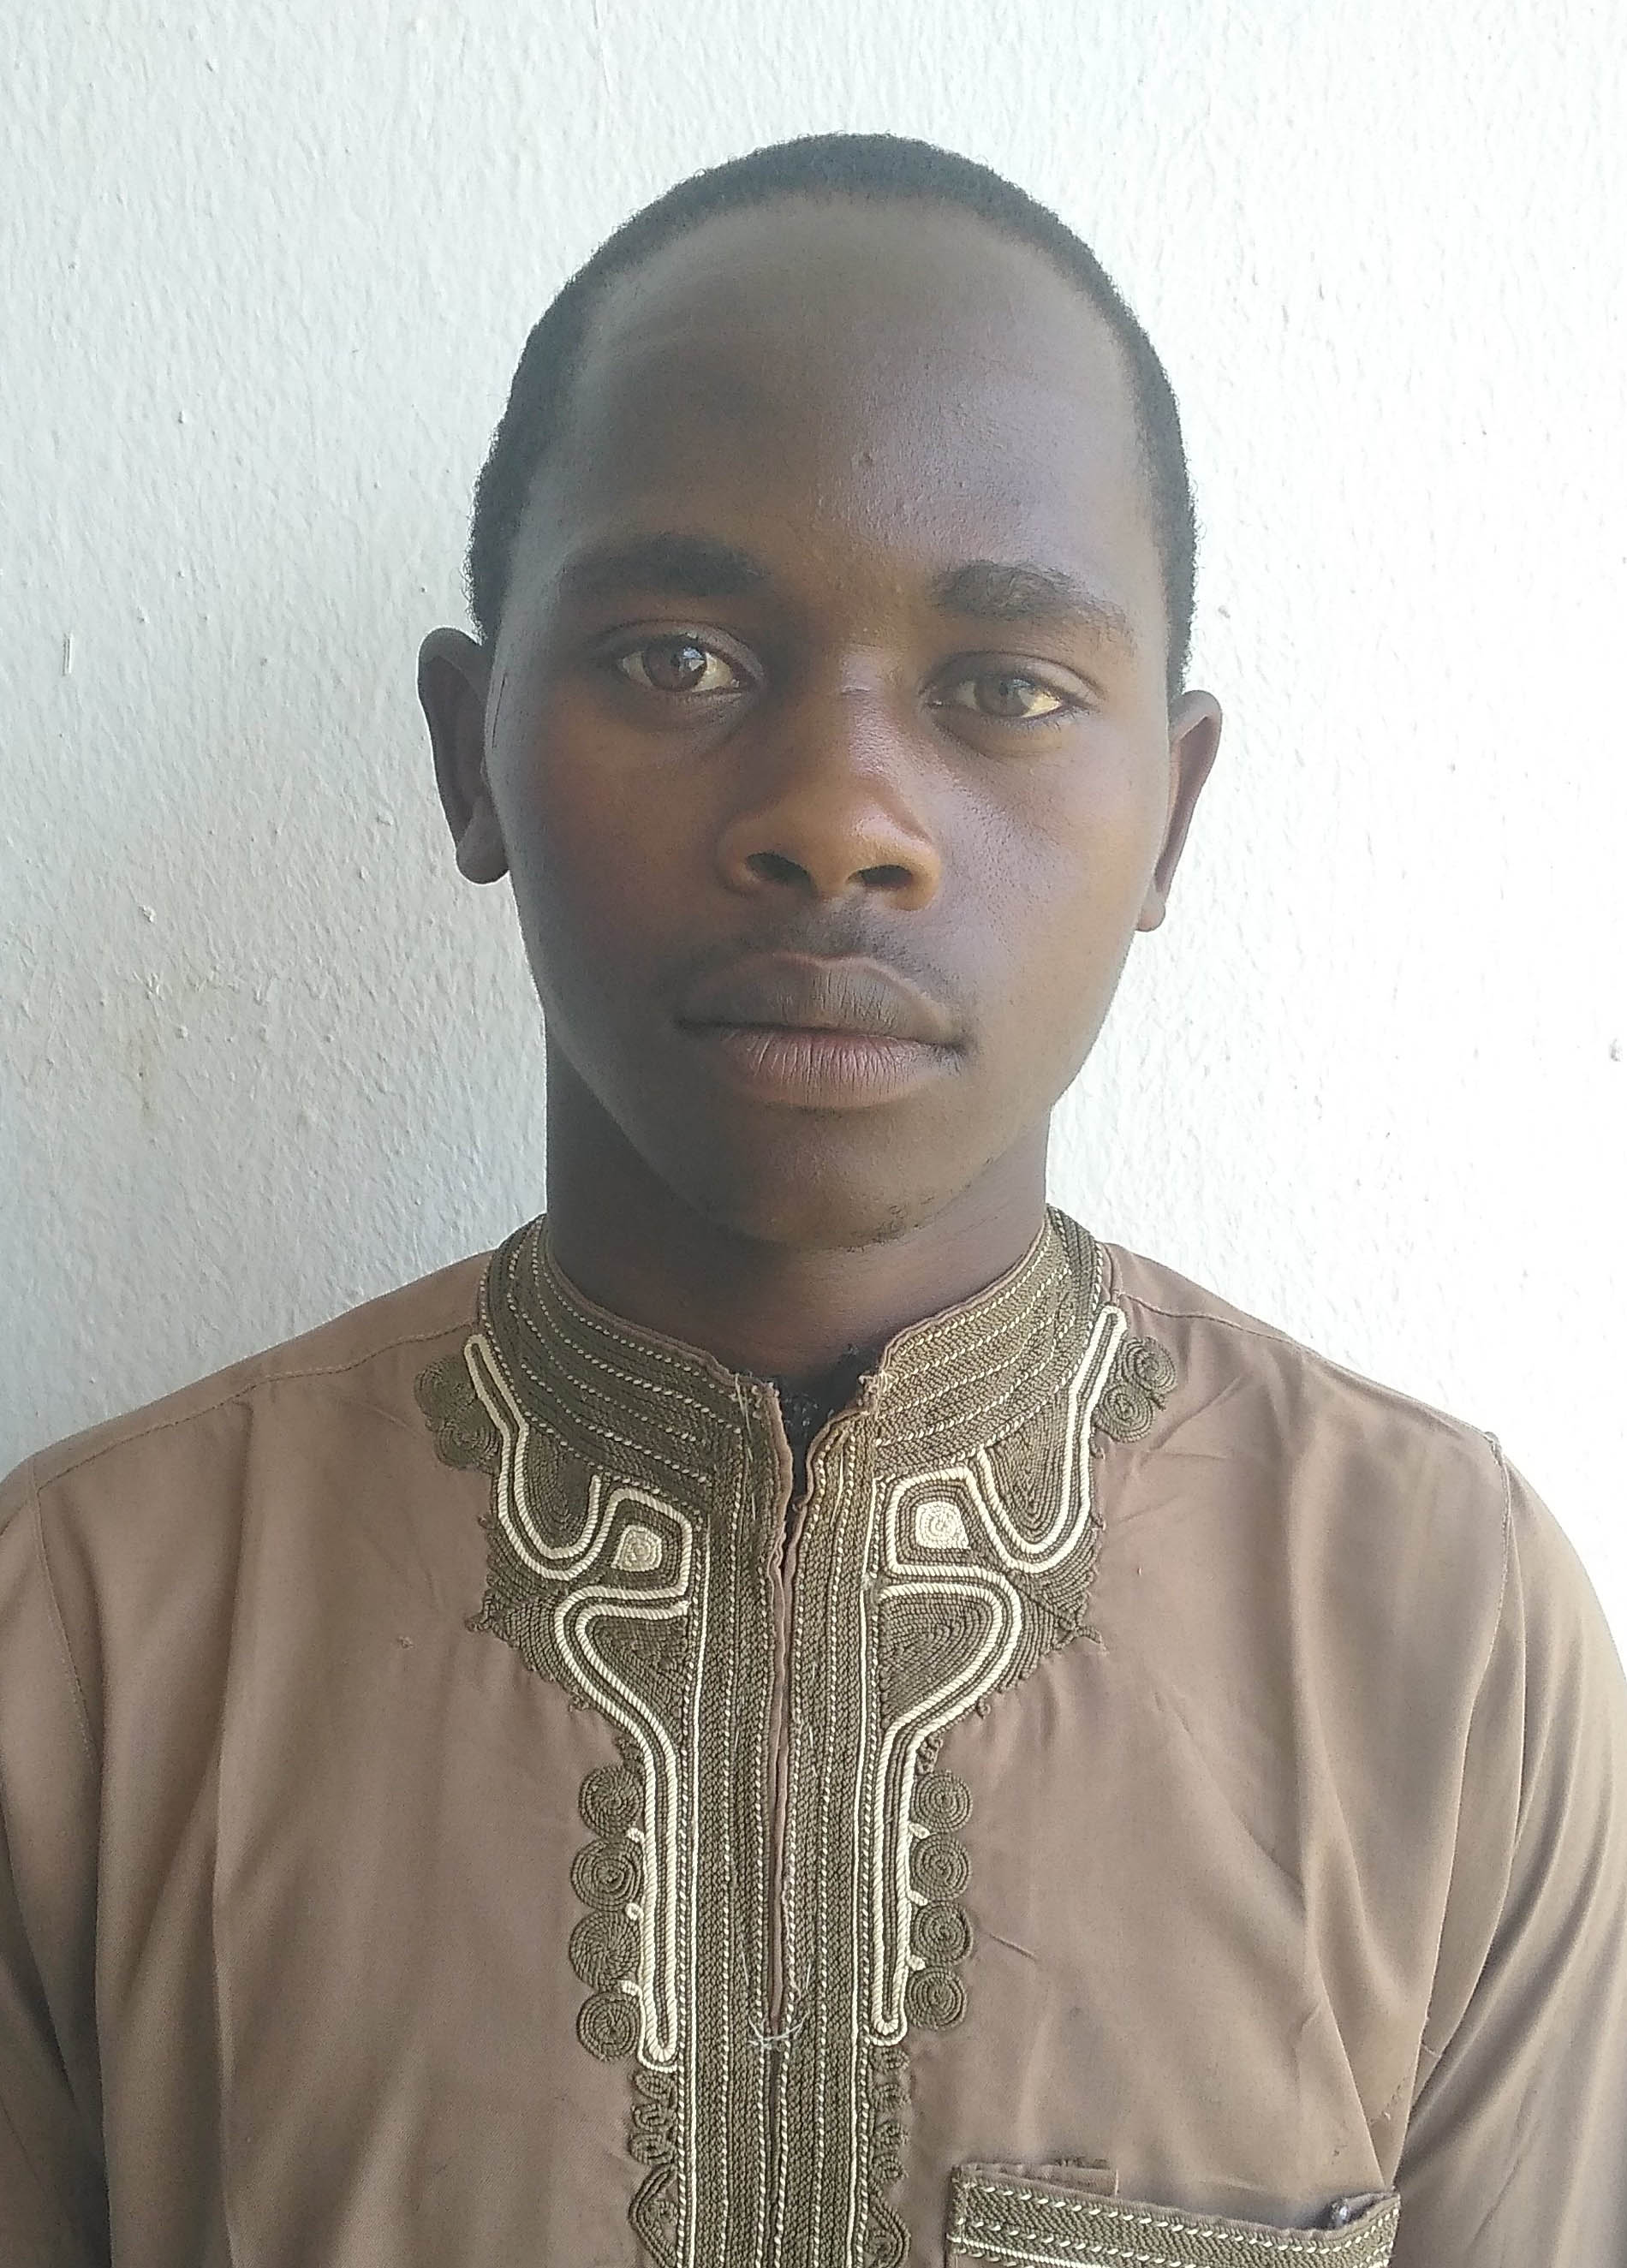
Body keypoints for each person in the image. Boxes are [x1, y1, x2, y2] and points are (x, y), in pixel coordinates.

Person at [2, 133, 1623, 2268]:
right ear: (469, 751)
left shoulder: (1434, 1624)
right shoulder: (84, 1642)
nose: (842, 816)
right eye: (677, 657)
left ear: (1168, 810)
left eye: (1004, 688)